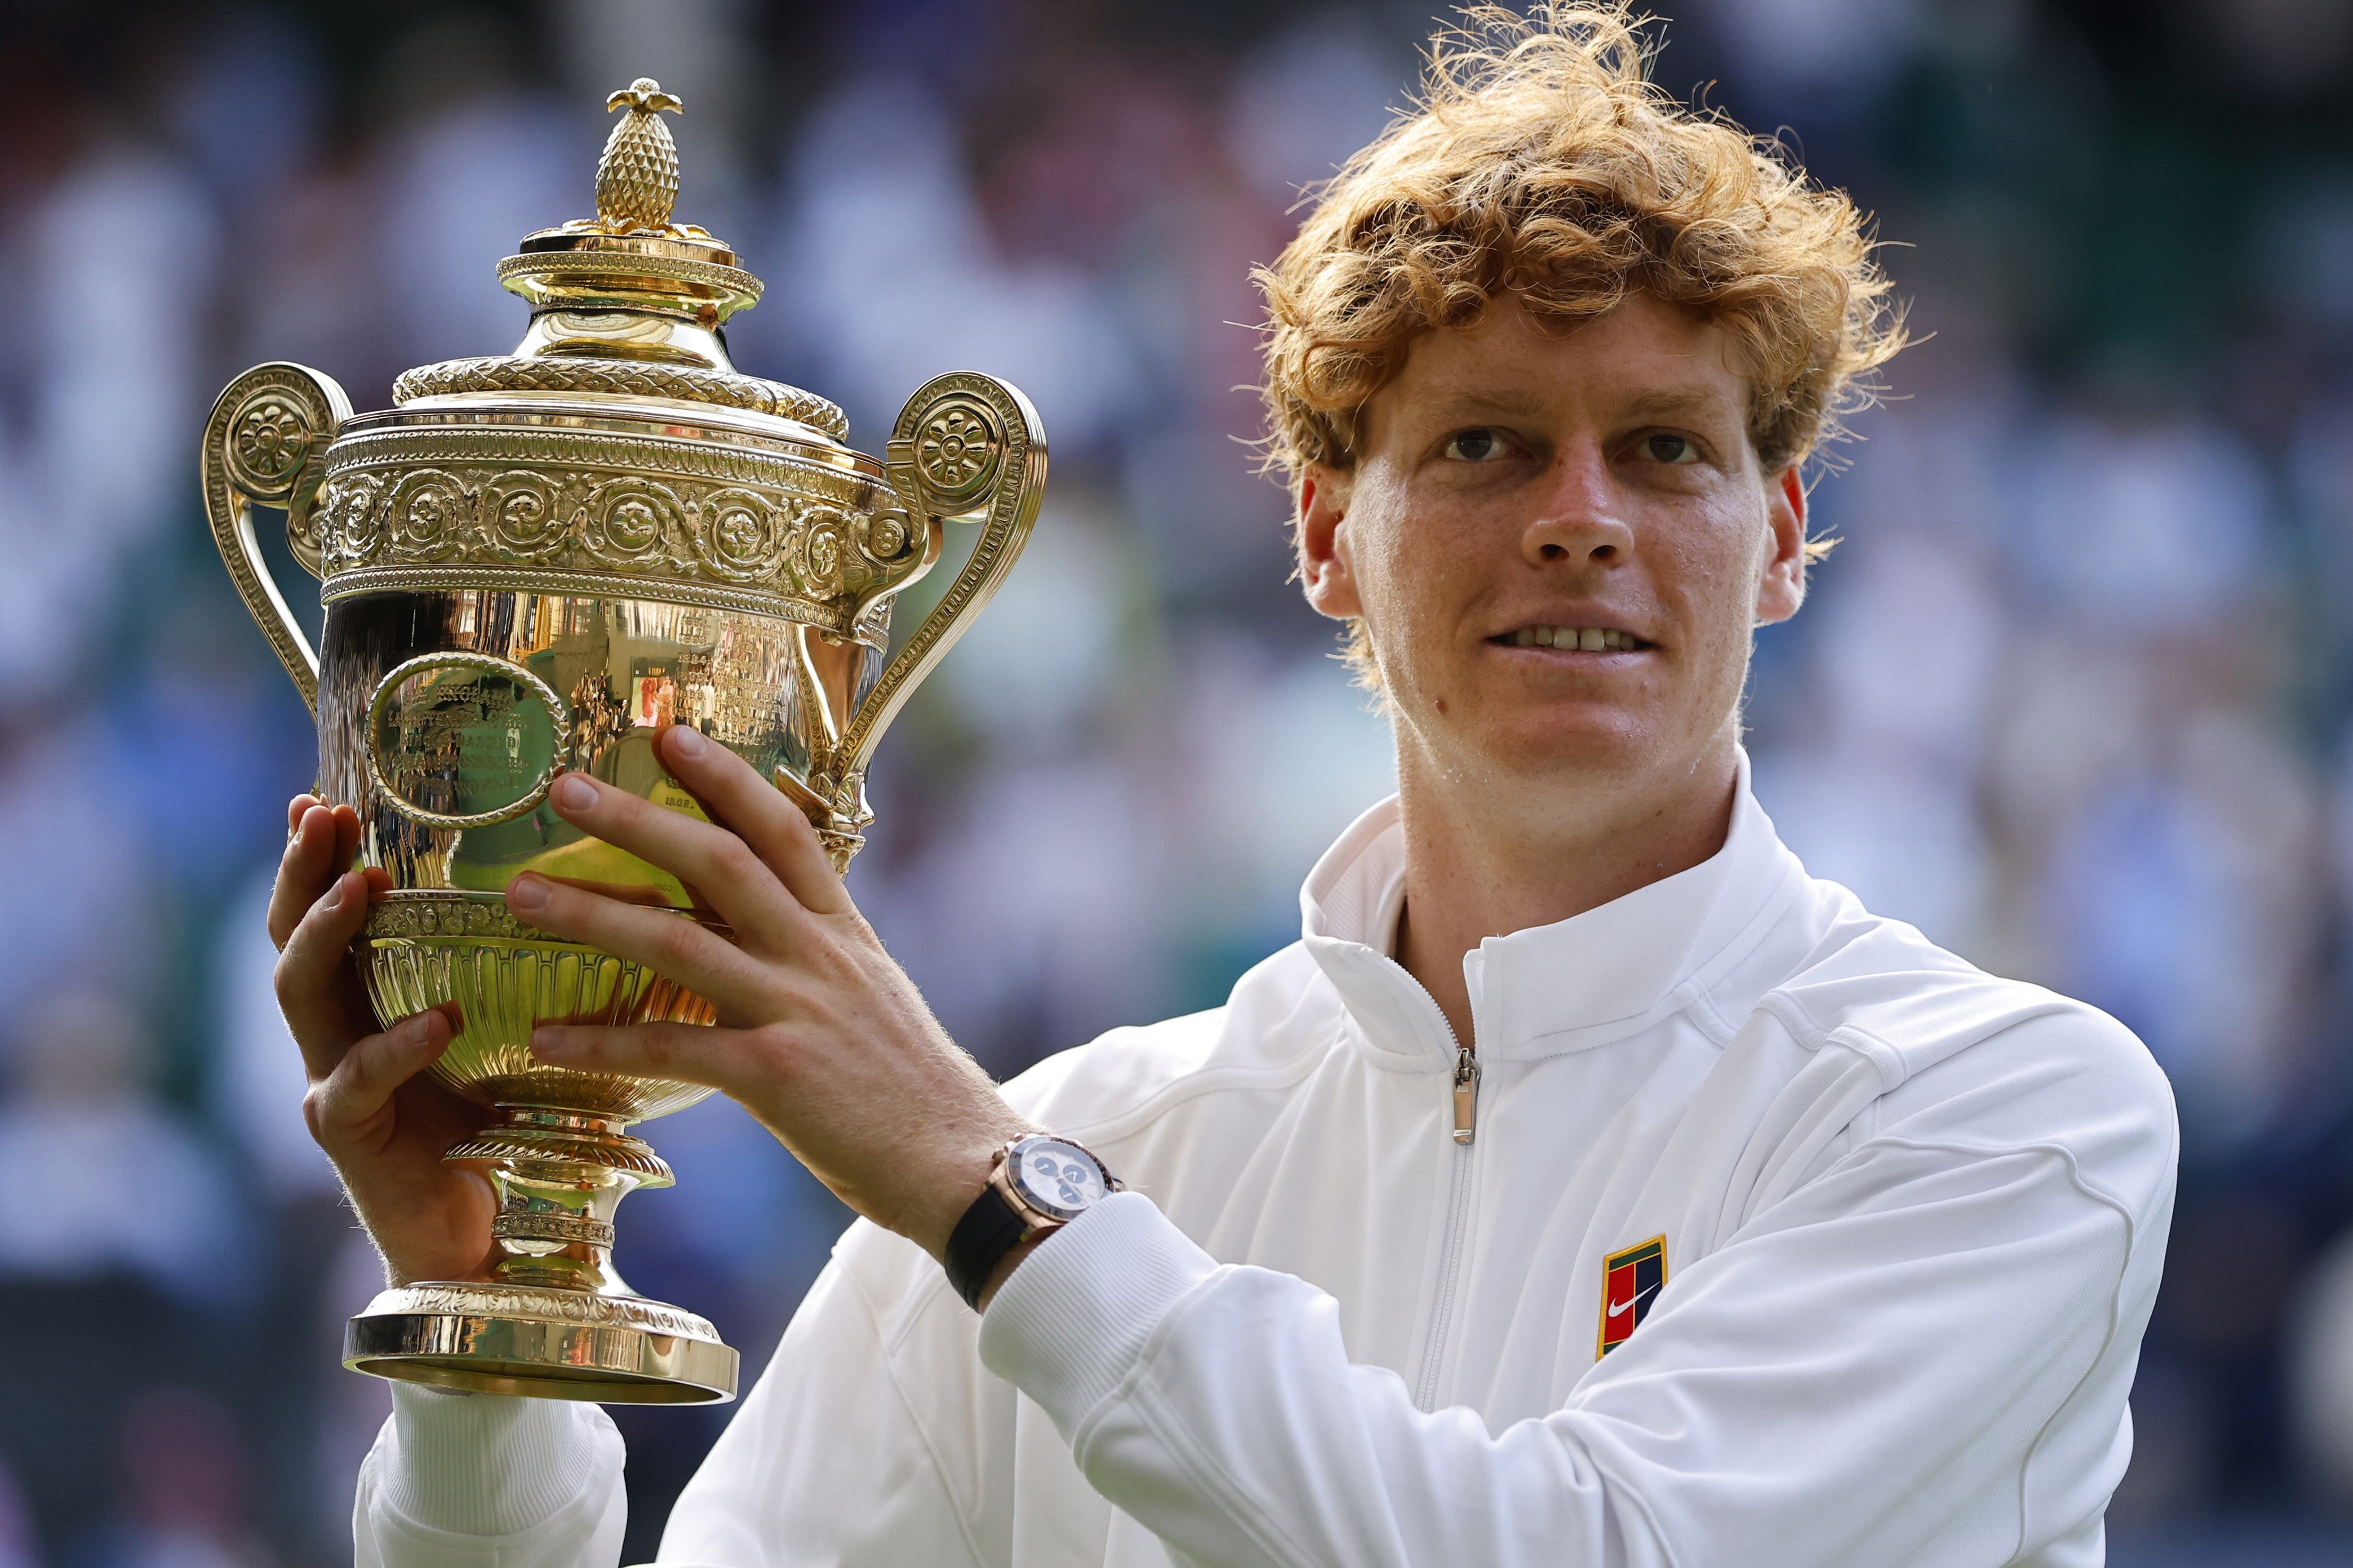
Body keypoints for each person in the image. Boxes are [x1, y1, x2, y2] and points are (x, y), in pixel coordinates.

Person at [268, 7, 2177, 1565]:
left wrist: (991, 1194)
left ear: (1783, 538)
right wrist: (481, 1359)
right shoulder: (1085, 1139)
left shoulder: (2007, 1113)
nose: (1582, 521)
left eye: (1668, 450)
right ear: (1328, 536)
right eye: (1488, 445)